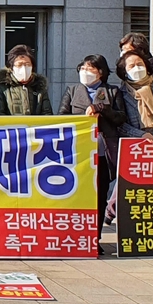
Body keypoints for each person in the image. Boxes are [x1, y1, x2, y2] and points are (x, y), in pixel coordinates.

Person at [59, 55, 126, 254]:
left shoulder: (112, 92)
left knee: (99, 197)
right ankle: (74, 237)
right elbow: (62, 116)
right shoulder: (72, 91)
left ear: (101, 73)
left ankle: (94, 238)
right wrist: (83, 118)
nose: (86, 73)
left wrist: (102, 110)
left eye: (91, 69)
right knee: (75, 197)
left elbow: (121, 117)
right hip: (77, 153)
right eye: (83, 68)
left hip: (102, 153)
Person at [0, 44, 52, 115]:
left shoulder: (39, 87)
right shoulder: (3, 88)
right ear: (11, 67)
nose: (24, 68)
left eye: (28, 65)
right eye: (19, 65)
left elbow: (47, 114)